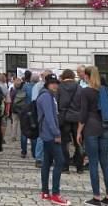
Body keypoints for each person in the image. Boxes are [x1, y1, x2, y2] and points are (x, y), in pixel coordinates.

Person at [77, 66, 108, 206]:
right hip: (105, 128)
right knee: (105, 162)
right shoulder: (105, 90)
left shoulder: (86, 91)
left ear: (86, 76)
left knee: (93, 162)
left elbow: (83, 113)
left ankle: (96, 197)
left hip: (91, 128)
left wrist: (79, 131)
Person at [37, 74, 71, 206]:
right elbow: (50, 118)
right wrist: (57, 133)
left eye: (56, 83)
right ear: (47, 84)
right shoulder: (46, 96)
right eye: (52, 83)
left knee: (47, 162)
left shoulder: (47, 95)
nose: (55, 85)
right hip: (50, 134)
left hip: (46, 133)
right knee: (60, 161)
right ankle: (56, 195)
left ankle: (45, 192)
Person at [58, 69, 84, 173]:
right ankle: (79, 167)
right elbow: (83, 104)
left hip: (64, 118)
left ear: (63, 76)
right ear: (73, 76)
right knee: (78, 142)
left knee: (64, 143)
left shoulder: (59, 87)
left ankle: (65, 166)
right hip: (77, 118)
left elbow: (57, 103)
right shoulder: (79, 87)